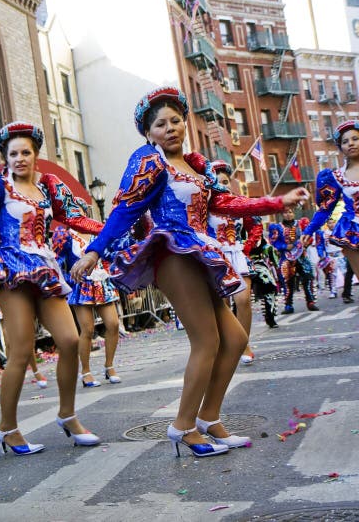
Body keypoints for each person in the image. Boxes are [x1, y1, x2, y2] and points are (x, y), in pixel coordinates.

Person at [71, 87, 307, 457]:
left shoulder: (198, 167)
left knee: (233, 339)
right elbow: (125, 210)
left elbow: (226, 203)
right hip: (172, 255)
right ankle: (182, 426)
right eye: (160, 124)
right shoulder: (149, 161)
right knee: (207, 341)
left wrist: (277, 202)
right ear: (149, 133)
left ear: (185, 125)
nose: (170, 128)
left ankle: (209, 418)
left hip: (201, 252)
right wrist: (93, 251)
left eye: (176, 121)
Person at [0, 121, 104, 455]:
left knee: (70, 340)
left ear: (35, 155)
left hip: (44, 267)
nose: (20, 158)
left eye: (25, 152)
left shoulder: (48, 187)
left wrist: (107, 230)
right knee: (21, 351)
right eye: (13, 153)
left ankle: (67, 414)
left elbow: (76, 219)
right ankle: (7, 427)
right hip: (10, 268)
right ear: (5, 158)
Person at [52, 223, 122, 386]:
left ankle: (109, 366)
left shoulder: (96, 231)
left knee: (113, 324)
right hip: (81, 286)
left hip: (101, 282)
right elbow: (58, 262)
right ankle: (86, 372)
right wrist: (70, 279)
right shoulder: (66, 235)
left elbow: (109, 254)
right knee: (88, 329)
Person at [207, 161, 259, 364]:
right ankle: (228, 344)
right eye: (218, 182)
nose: (223, 185)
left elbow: (254, 226)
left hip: (237, 254)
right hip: (217, 257)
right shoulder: (206, 208)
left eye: (226, 181)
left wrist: (246, 247)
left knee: (243, 300)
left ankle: (244, 343)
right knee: (224, 305)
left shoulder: (239, 203)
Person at [302, 120, 359, 290]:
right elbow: (325, 209)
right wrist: (309, 230)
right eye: (345, 141)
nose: (350, 143)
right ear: (340, 147)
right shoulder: (336, 177)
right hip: (353, 230)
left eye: (355, 138)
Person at [248, 233, 281, 329]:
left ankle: (270, 317)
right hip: (245, 267)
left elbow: (275, 261)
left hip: (259, 269)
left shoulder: (267, 247)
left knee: (270, 288)